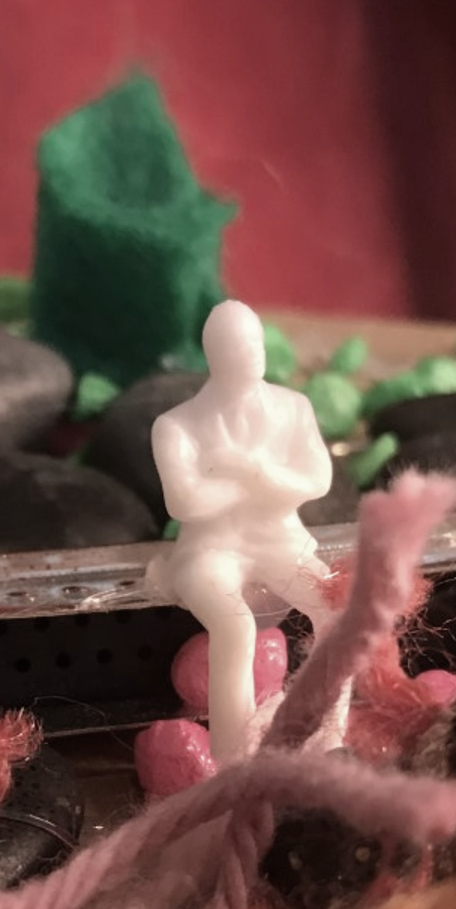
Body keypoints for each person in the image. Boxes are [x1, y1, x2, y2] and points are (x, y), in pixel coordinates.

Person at [148, 299, 335, 761]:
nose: (249, 357)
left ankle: (331, 737)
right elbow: (186, 503)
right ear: (213, 355)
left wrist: (250, 470)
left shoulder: (293, 408)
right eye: (235, 349)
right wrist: (263, 486)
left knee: (334, 608)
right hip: (210, 548)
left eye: (254, 346)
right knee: (235, 625)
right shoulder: (176, 425)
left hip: (280, 539)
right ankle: (233, 760)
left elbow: (317, 480)